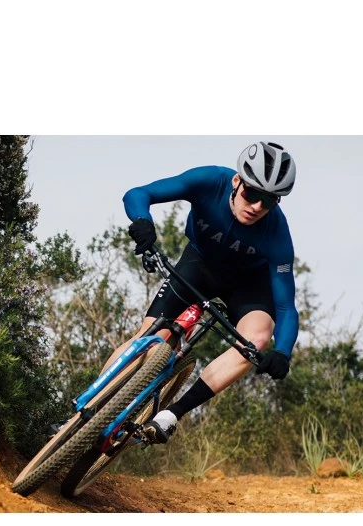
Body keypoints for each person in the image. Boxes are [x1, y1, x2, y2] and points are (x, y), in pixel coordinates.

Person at [113, 140, 299, 444]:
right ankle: (85, 413)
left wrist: (283, 352)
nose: (257, 206)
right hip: (198, 264)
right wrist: (143, 222)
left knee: (257, 339)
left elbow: (285, 307)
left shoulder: (277, 234)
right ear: (237, 181)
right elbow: (137, 194)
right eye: (252, 194)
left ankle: (170, 415)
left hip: (247, 286)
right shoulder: (209, 181)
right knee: (148, 340)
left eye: (268, 201)